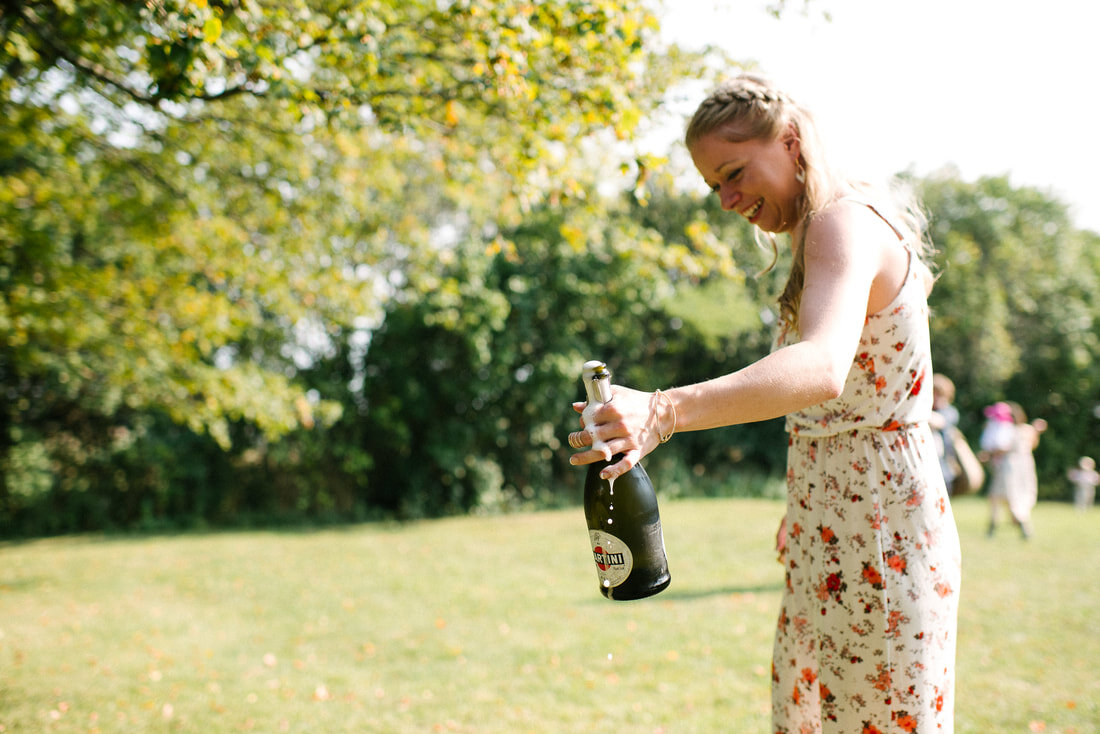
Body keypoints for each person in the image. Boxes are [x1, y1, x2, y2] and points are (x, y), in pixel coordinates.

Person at [566, 74, 960, 733]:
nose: (725, 199)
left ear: (790, 140)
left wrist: (663, 410)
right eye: (714, 185)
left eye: (734, 172)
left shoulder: (842, 222)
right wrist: (806, 511)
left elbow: (823, 368)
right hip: (836, 535)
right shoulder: (821, 235)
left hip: (879, 538)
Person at [979, 401, 1046, 538]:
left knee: (1006, 495)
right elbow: (1033, 445)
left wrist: (989, 454)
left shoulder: (1009, 430)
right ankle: (1018, 526)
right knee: (1014, 495)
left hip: (1009, 466)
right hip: (1024, 465)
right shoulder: (1026, 429)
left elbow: (1003, 448)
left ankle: (1005, 526)